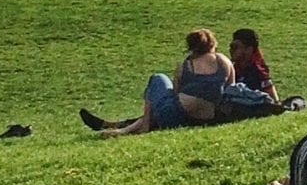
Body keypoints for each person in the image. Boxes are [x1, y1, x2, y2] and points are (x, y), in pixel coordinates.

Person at [83, 27, 238, 135]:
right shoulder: (224, 62)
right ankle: (119, 127)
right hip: (207, 118)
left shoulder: (185, 66)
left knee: (157, 79)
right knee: (164, 106)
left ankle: (138, 127)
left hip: (175, 117)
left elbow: (176, 95)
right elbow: (231, 90)